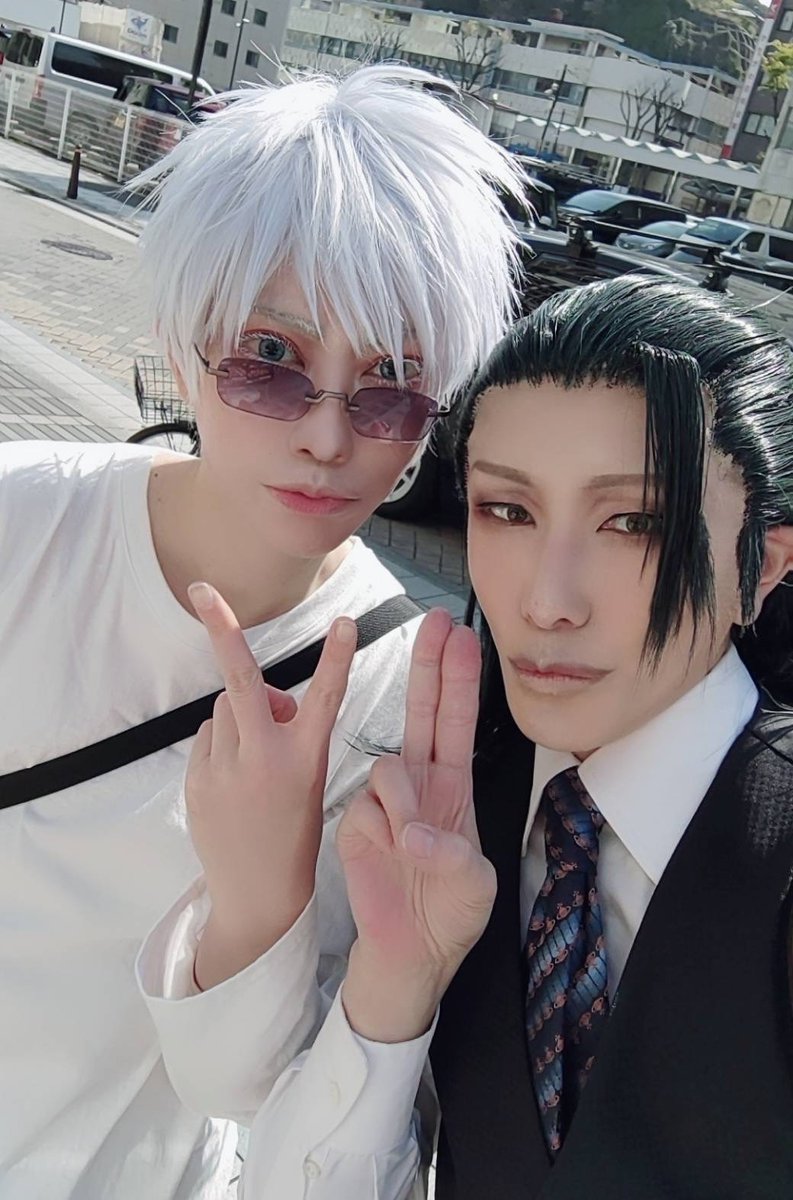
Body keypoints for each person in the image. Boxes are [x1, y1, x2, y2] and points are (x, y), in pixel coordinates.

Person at [0, 65, 525, 1199]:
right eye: (272, 359)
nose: (330, 438)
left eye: (391, 383)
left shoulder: (401, 691)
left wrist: (258, 898)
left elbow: (242, 1094)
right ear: (183, 342)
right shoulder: (20, 523)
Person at [189, 274, 792, 1198]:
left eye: (635, 522)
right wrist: (396, 982)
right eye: (507, 510)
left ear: (762, 565)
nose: (546, 603)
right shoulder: (449, 808)